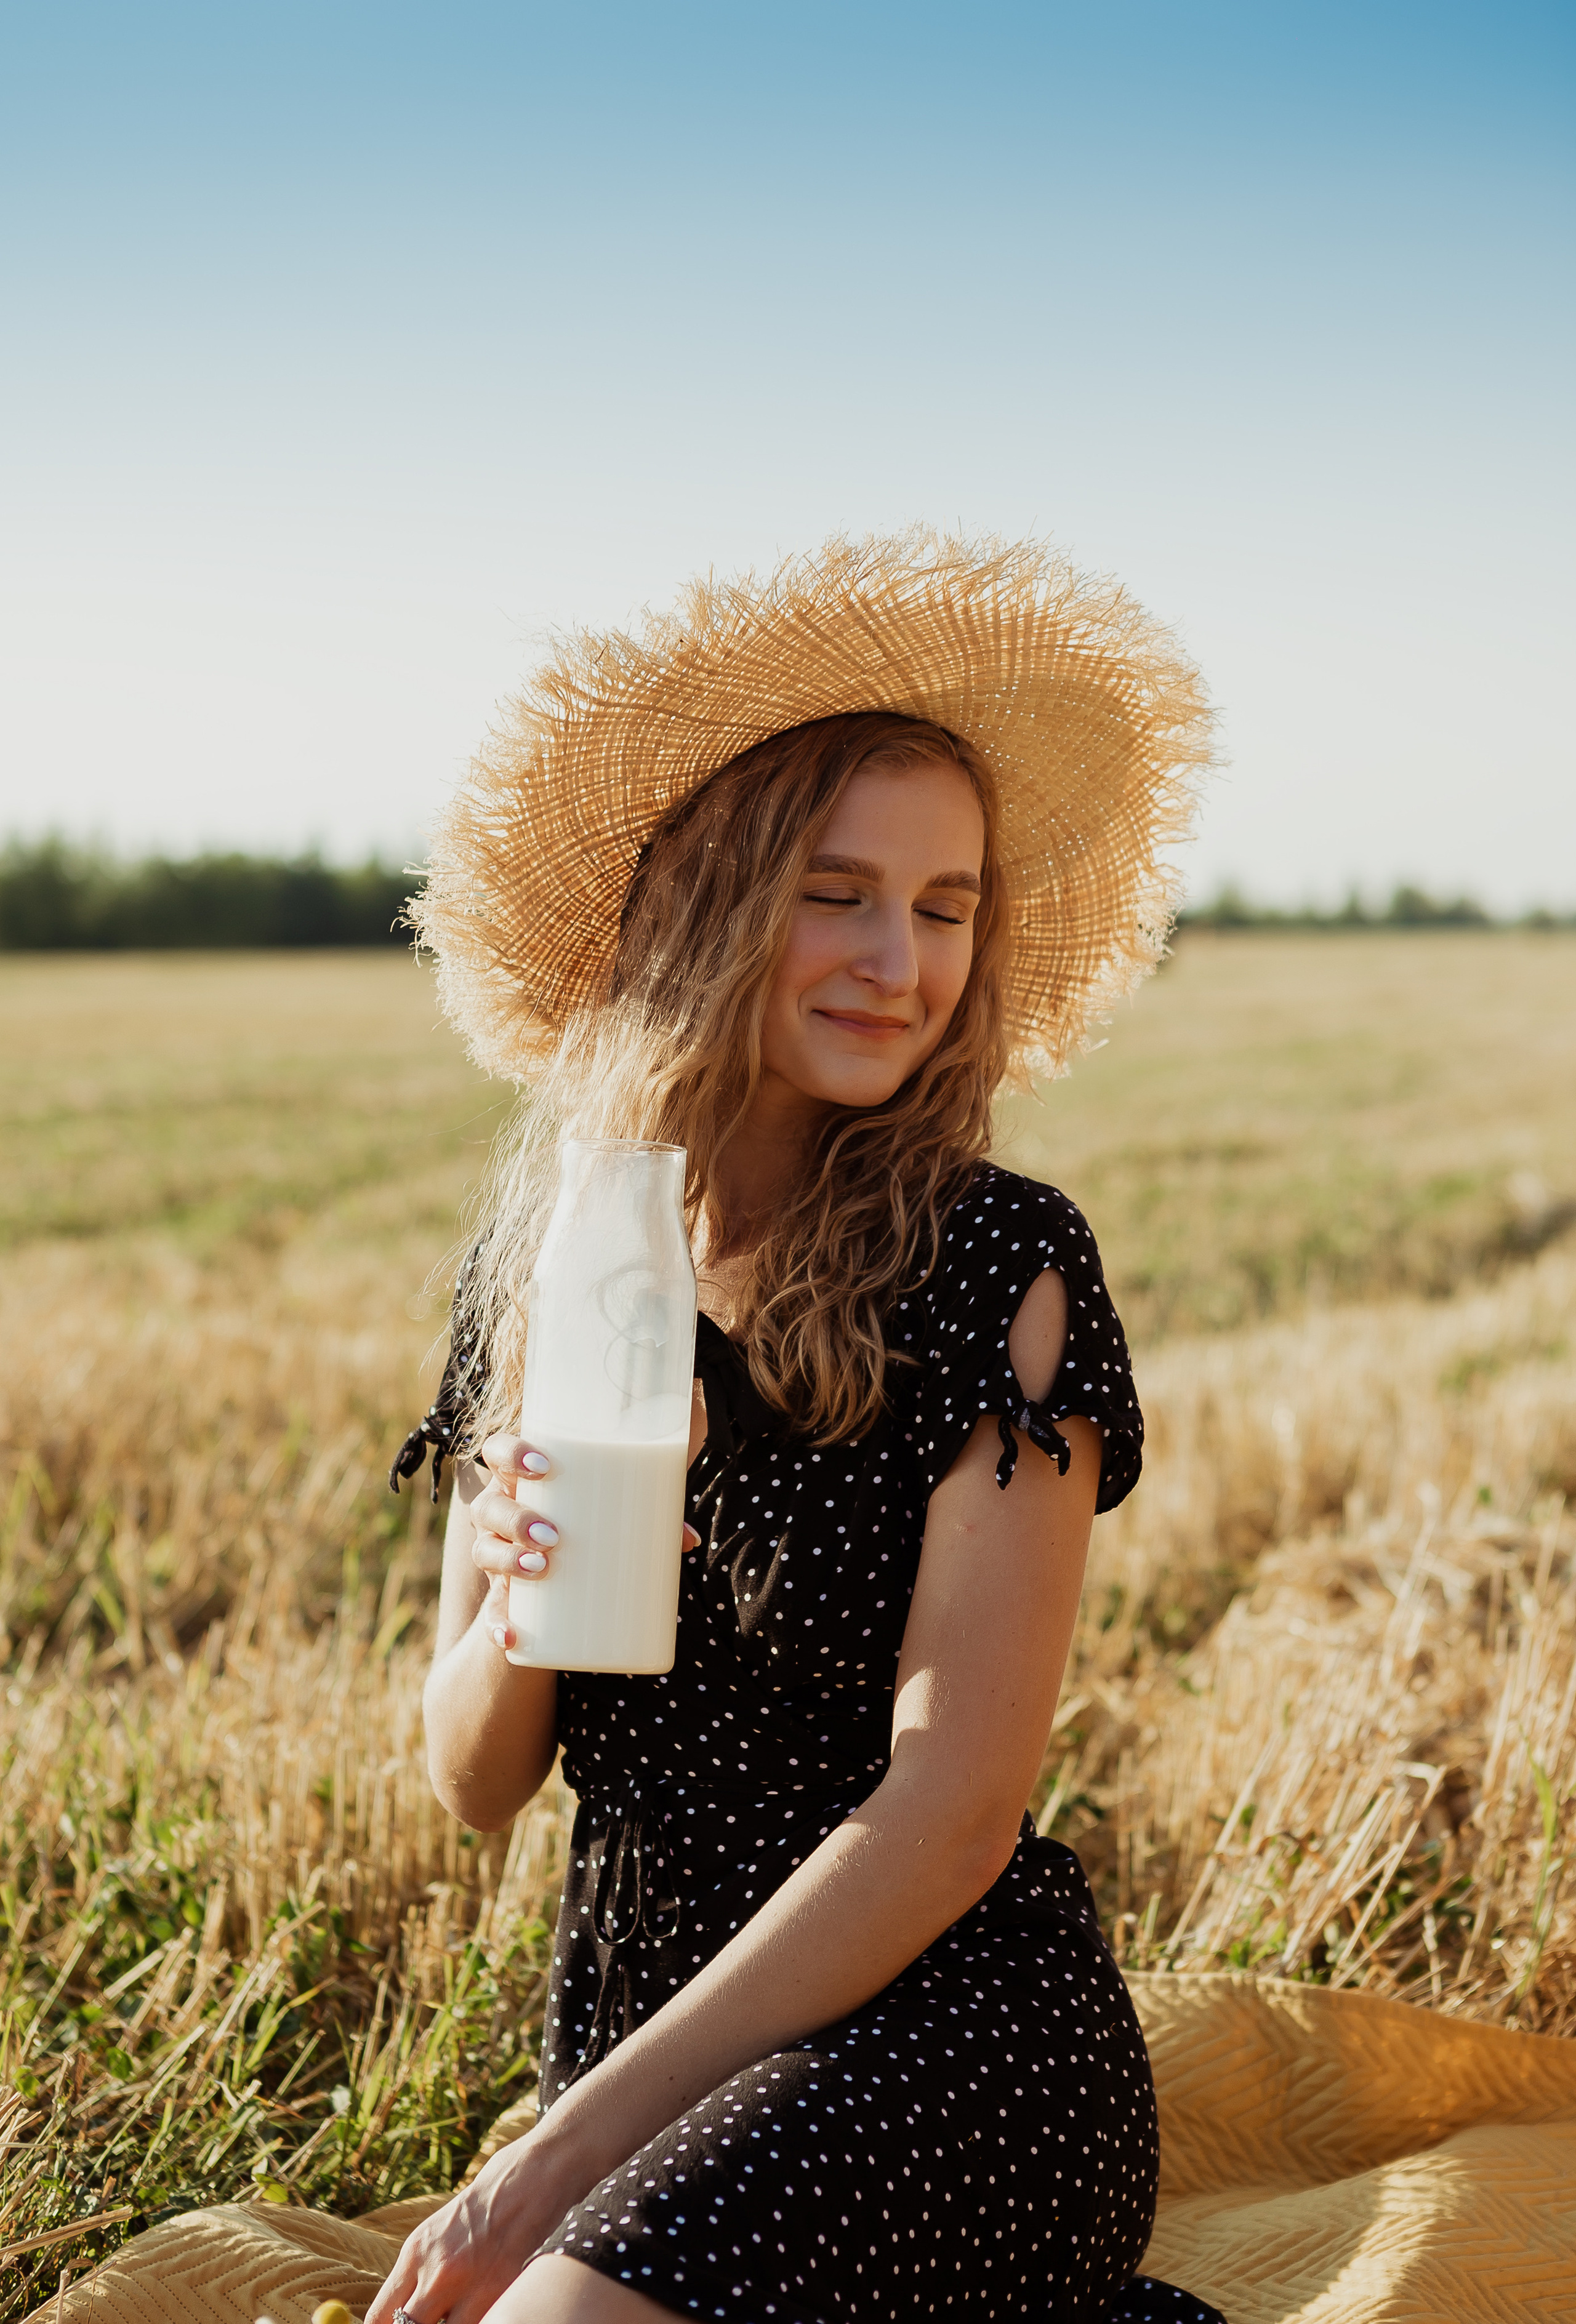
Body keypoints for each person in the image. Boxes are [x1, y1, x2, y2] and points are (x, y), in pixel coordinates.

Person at [376, 534, 1223, 2324]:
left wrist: (541, 2169)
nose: (898, 961)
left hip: (949, 2038)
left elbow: (954, 1816)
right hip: (651, 2036)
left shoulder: (1005, 1263)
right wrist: (539, 1560)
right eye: (837, 893)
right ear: (709, 902)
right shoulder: (565, 1267)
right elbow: (472, 1782)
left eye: (945, 905)